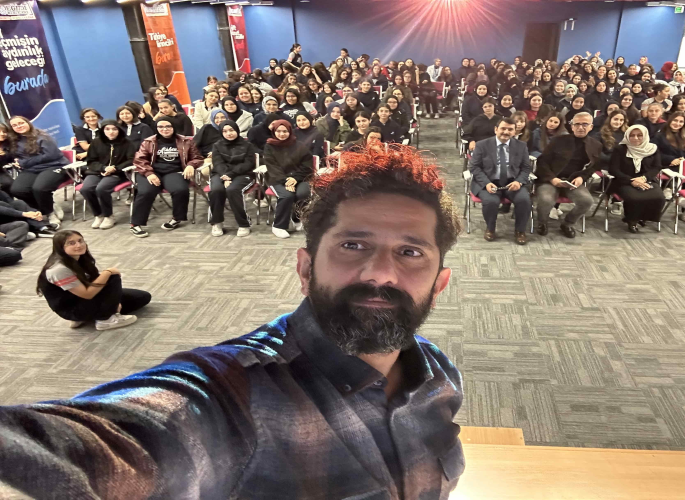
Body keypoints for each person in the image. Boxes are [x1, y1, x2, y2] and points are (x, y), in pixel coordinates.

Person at [1, 144, 465, 497]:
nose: (380, 273)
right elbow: (107, 440)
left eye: (410, 252)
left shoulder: (439, 376)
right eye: (353, 245)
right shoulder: (234, 391)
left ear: (439, 284)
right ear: (305, 269)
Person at [35, 229, 151, 330]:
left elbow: (93, 280)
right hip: (72, 308)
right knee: (111, 277)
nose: (78, 245)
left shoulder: (79, 258)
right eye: (71, 243)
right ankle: (104, 320)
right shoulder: (59, 269)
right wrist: (108, 272)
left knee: (142, 297)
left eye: (80, 241)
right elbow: (87, 294)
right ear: (60, 247)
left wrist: (114, 301)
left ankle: (92, 315)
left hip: (79, 299)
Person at [129, 118, 203, 238]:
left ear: (173, 127)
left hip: (174, 171)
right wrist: (149, 173)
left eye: (168, 126)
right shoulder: (149, 141)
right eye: (161, 127)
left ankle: (177, 218)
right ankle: (136, 224)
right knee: (146, 192)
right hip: (151, 171)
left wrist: (191, 165)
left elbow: (197, 157)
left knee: (180, 190)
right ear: (156, 128)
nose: (165, 129)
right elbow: (139, 160)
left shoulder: (185, 141)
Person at [535, 112, 601, 238]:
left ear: (591, 127)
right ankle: (542, 222)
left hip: (573, 182)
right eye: (577, 124)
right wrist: (552, 178)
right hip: (551, 179)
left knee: (586, 201)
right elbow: (542, 162)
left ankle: (567, 224)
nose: (580, 127)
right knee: (546, 199)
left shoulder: (596, 145)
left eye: (585, 124)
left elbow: (593, 167)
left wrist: (582, 177)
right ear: (572, 126)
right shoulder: (558, 141)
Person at [468, 117, 533, 245]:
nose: (506, 132)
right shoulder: (482, 145)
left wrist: (519, 182)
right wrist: (486, 183)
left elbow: (526, 168)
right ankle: (490, 228)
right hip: (489, 182)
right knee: (491, 202)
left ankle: (520, 231)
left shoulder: (521, 146)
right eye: (503, 128)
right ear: (496, 129)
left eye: (510, 129)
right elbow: (474, 167)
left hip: (512, 182)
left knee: (524, 200)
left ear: (514, 132)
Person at [8, 116, 70, 227]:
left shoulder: (43, 137)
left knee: (39, 188)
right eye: (14, 125)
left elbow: (51, 155)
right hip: (32, 169)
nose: (19, 126)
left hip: (53, 166)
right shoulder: (15, 141)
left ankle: (50, 213)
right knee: (17, 190)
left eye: (21, 123)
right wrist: (17, 161)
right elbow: (17, 157)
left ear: (28, 123)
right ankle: (44, 207)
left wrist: (25, 162)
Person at [79, 119, 136, 230]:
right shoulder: (96, 142)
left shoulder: (127, 143)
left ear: (119, 130)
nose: (111, 132)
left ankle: (108, 216)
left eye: (114, 129)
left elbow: (131, 160)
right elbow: (91, 161)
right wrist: (103, 168)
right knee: (85, 189)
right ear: (103, 130)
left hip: (118, 173)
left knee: (101, 189)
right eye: (107, 129)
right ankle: (98, 215)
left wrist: (115, 168)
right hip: (97, 171)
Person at [607, 125, 664, 232]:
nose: (635, 138)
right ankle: (632, 220)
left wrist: (644, 178)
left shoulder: (652, 149)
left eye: (639, 135)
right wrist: (631, 181)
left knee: (659, 197)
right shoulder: (620, 149)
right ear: (627, 136)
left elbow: (657, 167)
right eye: (632, 135)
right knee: (634, 198)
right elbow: (613, 169)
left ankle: (644, 217)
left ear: (645, 136)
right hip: (624, 181)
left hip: (646, 179)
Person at [263, 120, 313, 239]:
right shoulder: (269, 146)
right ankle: (278, 226)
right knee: (287, 195)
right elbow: (273, 167)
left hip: (299, 178)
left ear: (290, 131)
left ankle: (296, 218)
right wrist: (286, 181)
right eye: (278, 131)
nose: (281, 134)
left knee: (303, 193)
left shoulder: (300, 146)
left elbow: (307, 166)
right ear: (274, 132)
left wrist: (294, 178)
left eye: (285, 131)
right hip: (277, 178)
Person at [207, 120, 257, 238]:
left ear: (237, 130)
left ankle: (243, 224)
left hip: (242, 174)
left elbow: (248, 164)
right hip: (221, 174)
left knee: (232, 190)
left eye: (231, 130)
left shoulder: (247, 145)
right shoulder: (217, 145)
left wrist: (231, 175)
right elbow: (218, 163)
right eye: (225, 131)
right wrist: (225, 176)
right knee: (216, 190)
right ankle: (217, 222)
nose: (228, 133)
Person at [655, 112, 685, 219]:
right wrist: (672, 159)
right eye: (675, 120)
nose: (677, 123)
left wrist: (683, 159)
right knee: (678, 171)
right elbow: (656, 152)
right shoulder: (660, 136)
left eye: (681, 121)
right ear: (670, 120)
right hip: (667, 164)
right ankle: (671, 190)